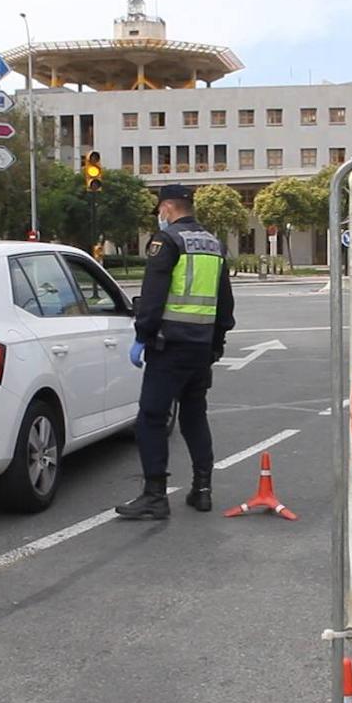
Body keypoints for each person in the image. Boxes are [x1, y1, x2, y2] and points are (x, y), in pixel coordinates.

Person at [116, 184, 235, 520]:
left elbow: (152, 298)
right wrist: (216, 343)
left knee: (151, 419)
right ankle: (202, 490)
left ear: (168, 207)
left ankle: (155, 496)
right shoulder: (213, 244)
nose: (160, 215)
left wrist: (142, 335)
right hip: (201, 348)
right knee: (194, 416)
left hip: (169, 347)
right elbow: (224, 303)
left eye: (160, 210)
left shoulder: (165, 242)